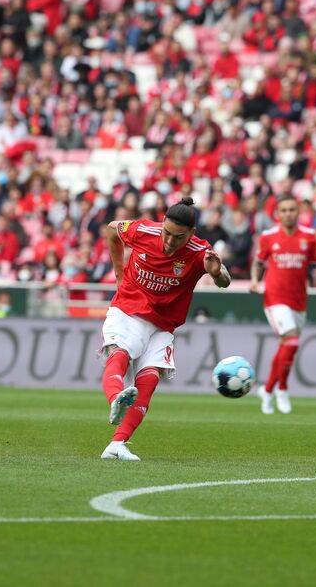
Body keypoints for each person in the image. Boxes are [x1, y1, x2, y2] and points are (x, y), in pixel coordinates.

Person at [99, 197, 231, 460]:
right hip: (128, 310)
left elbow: (225, 281)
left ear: (191, 233)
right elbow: (112, 229)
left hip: (163, 325)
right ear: (162, 224)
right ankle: (116, 399)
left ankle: (117, 444)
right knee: (119, 353)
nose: (170, 242)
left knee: (149, 381)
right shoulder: (143, 230)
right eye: (167, 233)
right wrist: (118, 272)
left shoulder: (200, 251)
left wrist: (217, 274)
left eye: (178, 237)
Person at [249, 195, 316, 415]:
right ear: (277, 214)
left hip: (299, 299)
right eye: (284, 210)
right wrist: (254, 280)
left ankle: (267, 389)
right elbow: (258, 262)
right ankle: (282, 388)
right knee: (291, 338)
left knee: (286, 344)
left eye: (292, 209)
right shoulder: (269, 236)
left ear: (298, 212)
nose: (288, 213)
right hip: (275, 297)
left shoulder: (309, 237)